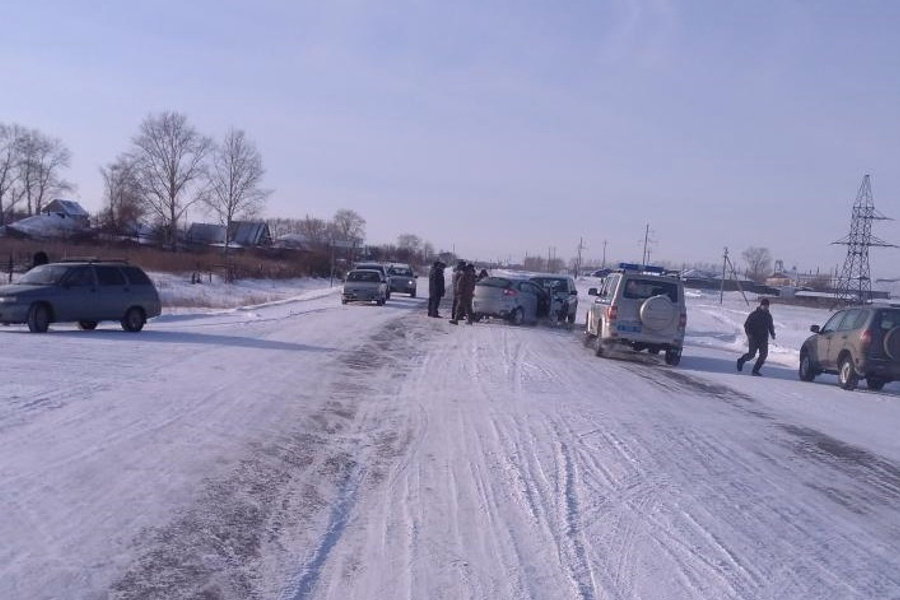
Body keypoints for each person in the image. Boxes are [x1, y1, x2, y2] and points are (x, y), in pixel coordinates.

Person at [737, 298, 776, 376]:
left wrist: (772, 333)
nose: (765, 307)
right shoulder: (754, 314)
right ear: (761, 305)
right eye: (764, 306)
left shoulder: (768, 316)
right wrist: (749, 334)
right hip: (754, 338)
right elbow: (746, 325)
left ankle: (755, 371)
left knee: (763, 355)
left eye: (767, 306)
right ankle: (741, 360)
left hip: (763, 338)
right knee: (751, 355)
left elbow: (770, 326)